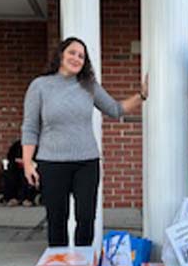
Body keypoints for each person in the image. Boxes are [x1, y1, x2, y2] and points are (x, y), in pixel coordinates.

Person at [21, 36, 147, 247]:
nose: (76, 58)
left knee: (86, 218)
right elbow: (30, 127)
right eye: (72, 52)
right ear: (61, 54)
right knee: (57, 220)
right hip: (52, 163)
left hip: (86, 163)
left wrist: (142, 95)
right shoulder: (40, 86)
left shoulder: (89, 86)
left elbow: (115, 110)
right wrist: (27, 163)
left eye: (81, 56)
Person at [2, 139, 37, 207]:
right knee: (10, 175)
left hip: (30, 166)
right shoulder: (17, 145)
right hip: (16, 167)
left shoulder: (34, 146)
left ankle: (27, 198)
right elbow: (10, 157)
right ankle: (12, 198)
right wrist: (17, 160)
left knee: (26, 177)